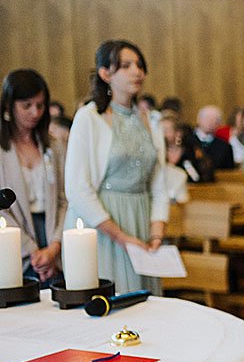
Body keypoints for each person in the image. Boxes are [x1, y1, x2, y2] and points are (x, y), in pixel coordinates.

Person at [64, 40, 168, 294]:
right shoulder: (89, 117)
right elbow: (77, 187)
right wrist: (120, 236)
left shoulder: (151, 120)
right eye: (126, 65)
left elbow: (159, 184)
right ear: (105, 73)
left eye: (139, 65)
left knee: (145, 304)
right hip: (103, 225)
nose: (137, 71)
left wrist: (156, 234)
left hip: (140, 218)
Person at [0, 69, 67, 283]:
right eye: (26, 106)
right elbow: (2, 209)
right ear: (9, 106)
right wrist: (32, 250)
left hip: (53, 232)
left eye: (40, 105)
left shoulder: (54, 146)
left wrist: (54, 247)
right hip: (15, 235)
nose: (35, 113)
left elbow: (64, 200)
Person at [194, 104, 235, 169]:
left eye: (214, 120)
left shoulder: (224, 147)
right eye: (207, 118)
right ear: (198, 120)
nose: (210, 122)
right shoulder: (187, 141)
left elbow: (229, 172)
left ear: (219, 124)